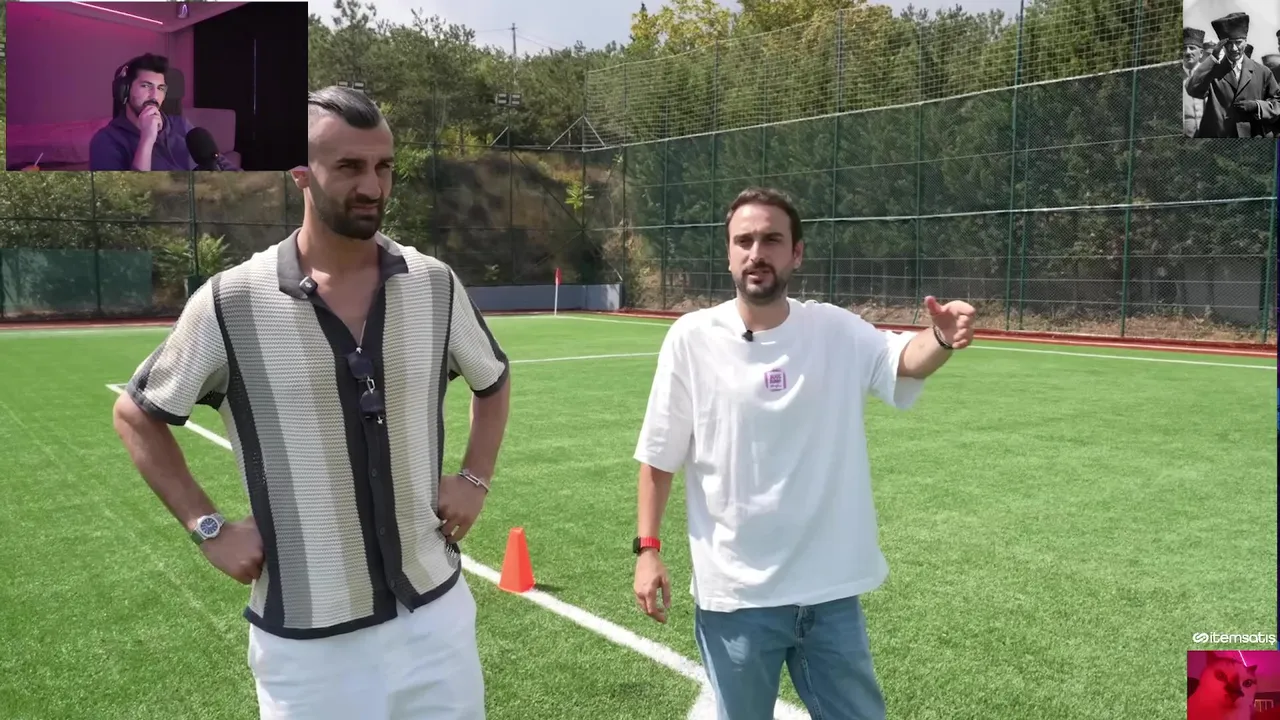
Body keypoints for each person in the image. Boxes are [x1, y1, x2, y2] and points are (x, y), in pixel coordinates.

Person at [112, 85, 510, 719]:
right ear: (300, 172)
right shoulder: (231, 302)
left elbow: (493, 380)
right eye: (348, 166)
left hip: (436, 622)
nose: (372, 186)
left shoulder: (434, 284)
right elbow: (137, 414)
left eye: (383, 166)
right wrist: (208, 527)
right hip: (308, 649)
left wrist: (474, 478)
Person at [630, 186, 975, 720]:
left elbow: (904, 360)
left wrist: (943, 338)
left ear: (796, 253)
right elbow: (659, 456)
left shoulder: (834, 329)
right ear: (728, 254)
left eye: (772, 240)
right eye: (744, 241)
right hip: (736, 597)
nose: (756, 252)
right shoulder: (691, 339)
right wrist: (648, 550)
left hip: (828, 594)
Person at [89, 53, 238, 171]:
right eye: (146, 86)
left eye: (160, 88)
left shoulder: (180, 124)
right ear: (125, 90)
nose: (155, 96)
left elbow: (220, 163)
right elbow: (129, 197)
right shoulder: (106, 140)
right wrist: (147, 139)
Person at [1185, 12, 1280, 138]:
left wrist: (1257, 106)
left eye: (1238, 42)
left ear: (1245, 42)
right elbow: (1192, 89)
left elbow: (1278, 103)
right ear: (1221, 45)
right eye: (1228, 43)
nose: (1234, 48)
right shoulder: (1213, 71)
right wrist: (1212, 58)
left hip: (1252, 138)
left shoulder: (1263, 72)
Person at [1182, 27, 1206, 137]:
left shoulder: (1209, 74)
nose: (1188, 52)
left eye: (1192, 48)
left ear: (1201, 53)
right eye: (1184, 48)